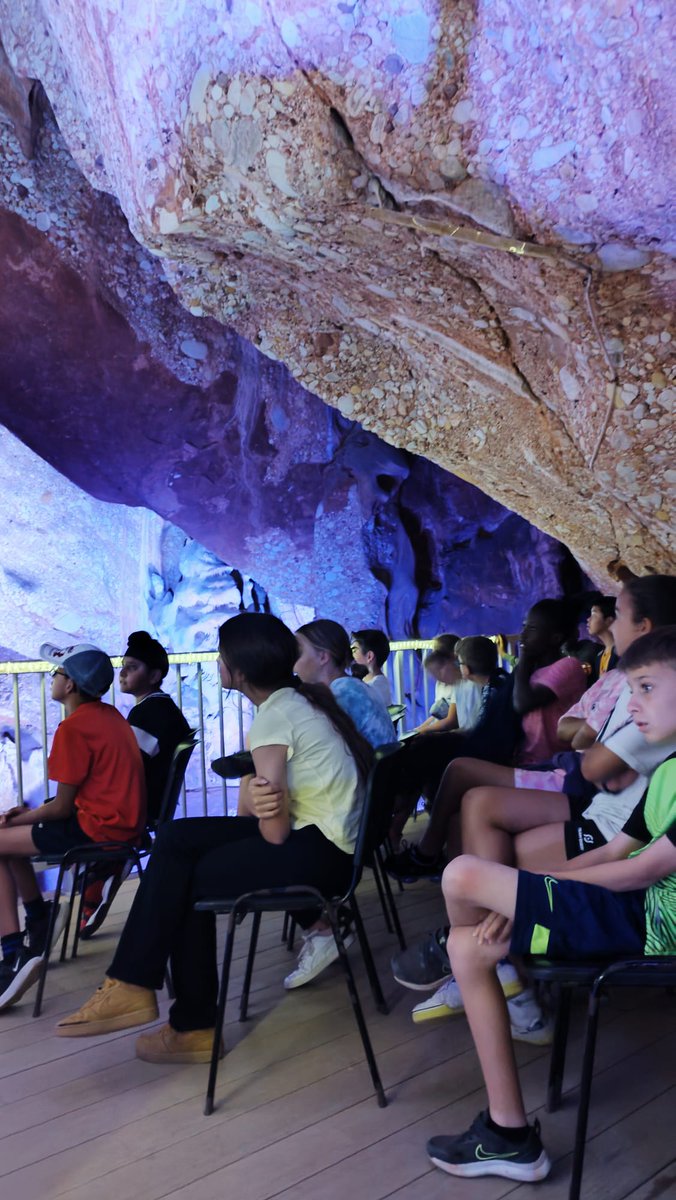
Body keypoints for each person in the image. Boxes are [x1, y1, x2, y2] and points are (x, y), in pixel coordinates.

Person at [55, 613, 373, 1056]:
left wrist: (264, 804)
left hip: (319, 853)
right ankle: (137, 988)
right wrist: (262, 802)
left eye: (221, 656)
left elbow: (275, 832)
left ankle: (185, 1021)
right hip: (332, 845)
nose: (218, 663)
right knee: (176, 839)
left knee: (182, 878)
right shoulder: (299, 702)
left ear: (239, 669)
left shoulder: (274, 720)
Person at [426, 625, 676, 1182]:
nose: (631, 705)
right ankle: (508, 1133)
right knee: (469, 943)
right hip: (630, 905)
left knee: (464, 873)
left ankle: (485, 967)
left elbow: (643, 870)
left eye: (647, 689)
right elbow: (617, 847)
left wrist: (535, 897)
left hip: (653, 924)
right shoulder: (668, 772)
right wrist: (530, 895)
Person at [0, 642, 145, 1010]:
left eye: (58, 673)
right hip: (120, 826)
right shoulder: (109, 716)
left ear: (72, 685)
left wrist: (21, 816)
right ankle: (38, 917)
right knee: (5, 840)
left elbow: (62, 808)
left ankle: (13, 952)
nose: (53, 678)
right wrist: (26, 817)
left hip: (95, 830)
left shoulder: (74, 728)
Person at [79, 630, 193, 937]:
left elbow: (126, 769)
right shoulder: (157, 708)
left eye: (133, 666)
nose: (124, 672)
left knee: (68, 810)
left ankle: (108, 862)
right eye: (123, 665)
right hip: (148, 804)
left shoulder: (152, 713)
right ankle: (106, 866)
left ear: (154, 675)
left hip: (136, 807)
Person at [295, 619, 396, 748]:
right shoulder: (352, 687)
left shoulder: (341, 695)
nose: (294, 664)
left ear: (323, 657)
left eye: (298, 653)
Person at [414, 637, 483, 736]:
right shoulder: (456, 685)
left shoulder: (473, 684)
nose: (436, 677)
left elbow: (453, 722)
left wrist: (423, 732)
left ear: (452, 659)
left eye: (438, 670)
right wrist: (418, 730)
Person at [351, 628, 392, 707]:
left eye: (354, 650)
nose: (351, 656)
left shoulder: (375, 687)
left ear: (369, 656)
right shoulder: (374, 684)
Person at [586, 595, 618, 680]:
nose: (588, 619)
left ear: (609, 620)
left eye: (594, 614)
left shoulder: (622, 653)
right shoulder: (599, 656)